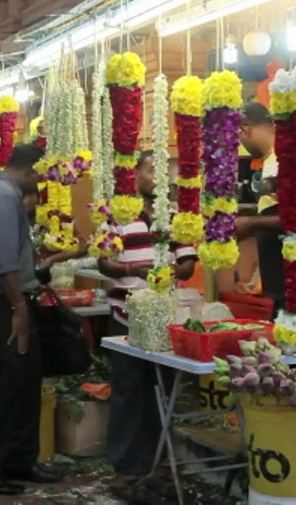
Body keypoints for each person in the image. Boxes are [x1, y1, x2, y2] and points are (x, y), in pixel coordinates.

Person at [0, 144, 62, 496]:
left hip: (10, 298)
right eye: (41, 173)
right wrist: (18, 308)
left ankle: (21, 459)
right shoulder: (3, 197)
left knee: (27, 377)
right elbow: (3, 263)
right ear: (31, 170)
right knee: (6, 384)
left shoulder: (3, 192)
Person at [96, 150, 198, 476]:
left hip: (164, 319)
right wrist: (132, 268)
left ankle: (156, 455)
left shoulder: (173, 213)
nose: (158, 176)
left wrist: (167, 268)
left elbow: (187, 264)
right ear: (134, 173)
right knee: (128, 388)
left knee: (161, 388)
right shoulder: (116, 213)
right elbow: (104, 261)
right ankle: (124, 460)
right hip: (126, 314)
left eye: (161, 170)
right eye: (151, 169)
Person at [235, 101, 286, 319]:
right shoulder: (270, 161)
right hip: (278, 283)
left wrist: (249, 224)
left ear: (244, 129)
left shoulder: (281, 160)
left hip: (293, 283)